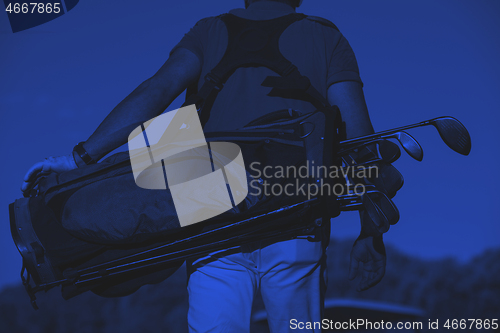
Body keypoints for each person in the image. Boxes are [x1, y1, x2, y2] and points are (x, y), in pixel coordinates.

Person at [21, 0, 387, 332]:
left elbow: (157, 91)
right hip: (296, 219)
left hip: (211, 222)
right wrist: (371, 233)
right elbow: (361, 141)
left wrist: (80, 158)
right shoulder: (325, 37)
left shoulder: (210, 31)